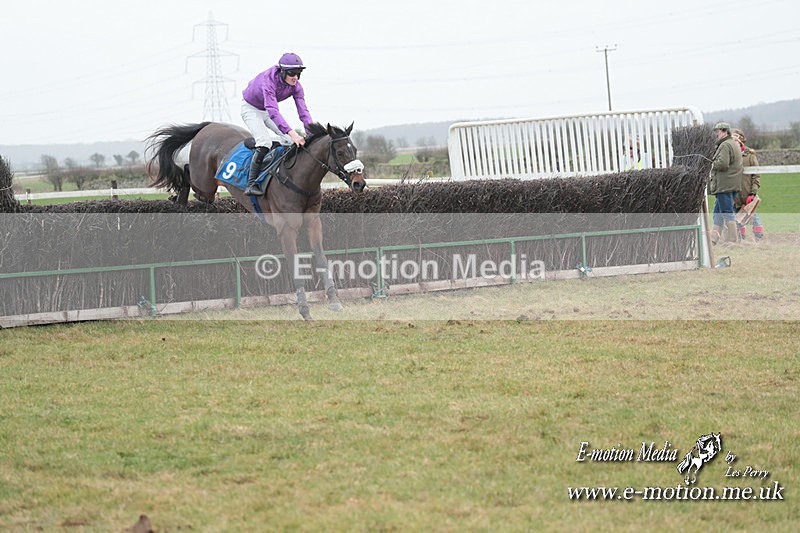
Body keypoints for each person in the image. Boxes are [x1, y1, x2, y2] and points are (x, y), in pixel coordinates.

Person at [241, 52, 314, 195]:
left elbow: (303, 112)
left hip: (267, 110)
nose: (296, 77)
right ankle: (251, 184)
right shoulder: (269, 80)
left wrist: (312, 133)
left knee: (289, 140)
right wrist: (294, 135)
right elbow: (273, 112)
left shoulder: (297, 86)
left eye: (299, 73)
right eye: (292, 73)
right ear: (282, 71)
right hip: (251, 109)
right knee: (264, 143)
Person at [708, 122, 743, 244]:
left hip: (725, 186)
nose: (715, 134)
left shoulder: (725, 145)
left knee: (727, 213)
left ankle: (733, 241)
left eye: (717, 132)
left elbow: (722, 164)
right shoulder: (732, 144)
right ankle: (713, 239)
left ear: (724, 131)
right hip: (730, 185)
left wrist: (710, 162)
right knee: (718, 214)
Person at [732, 128, 765, 241]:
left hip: (748, 194)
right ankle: (741, 240)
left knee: (753, 217)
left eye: (735, 138)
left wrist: (753, 193)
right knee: (736, 218)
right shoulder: (729, 155)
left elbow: (756, 175)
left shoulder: (750, 155)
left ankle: (760, 239)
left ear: (741, 140)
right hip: (734, 195)